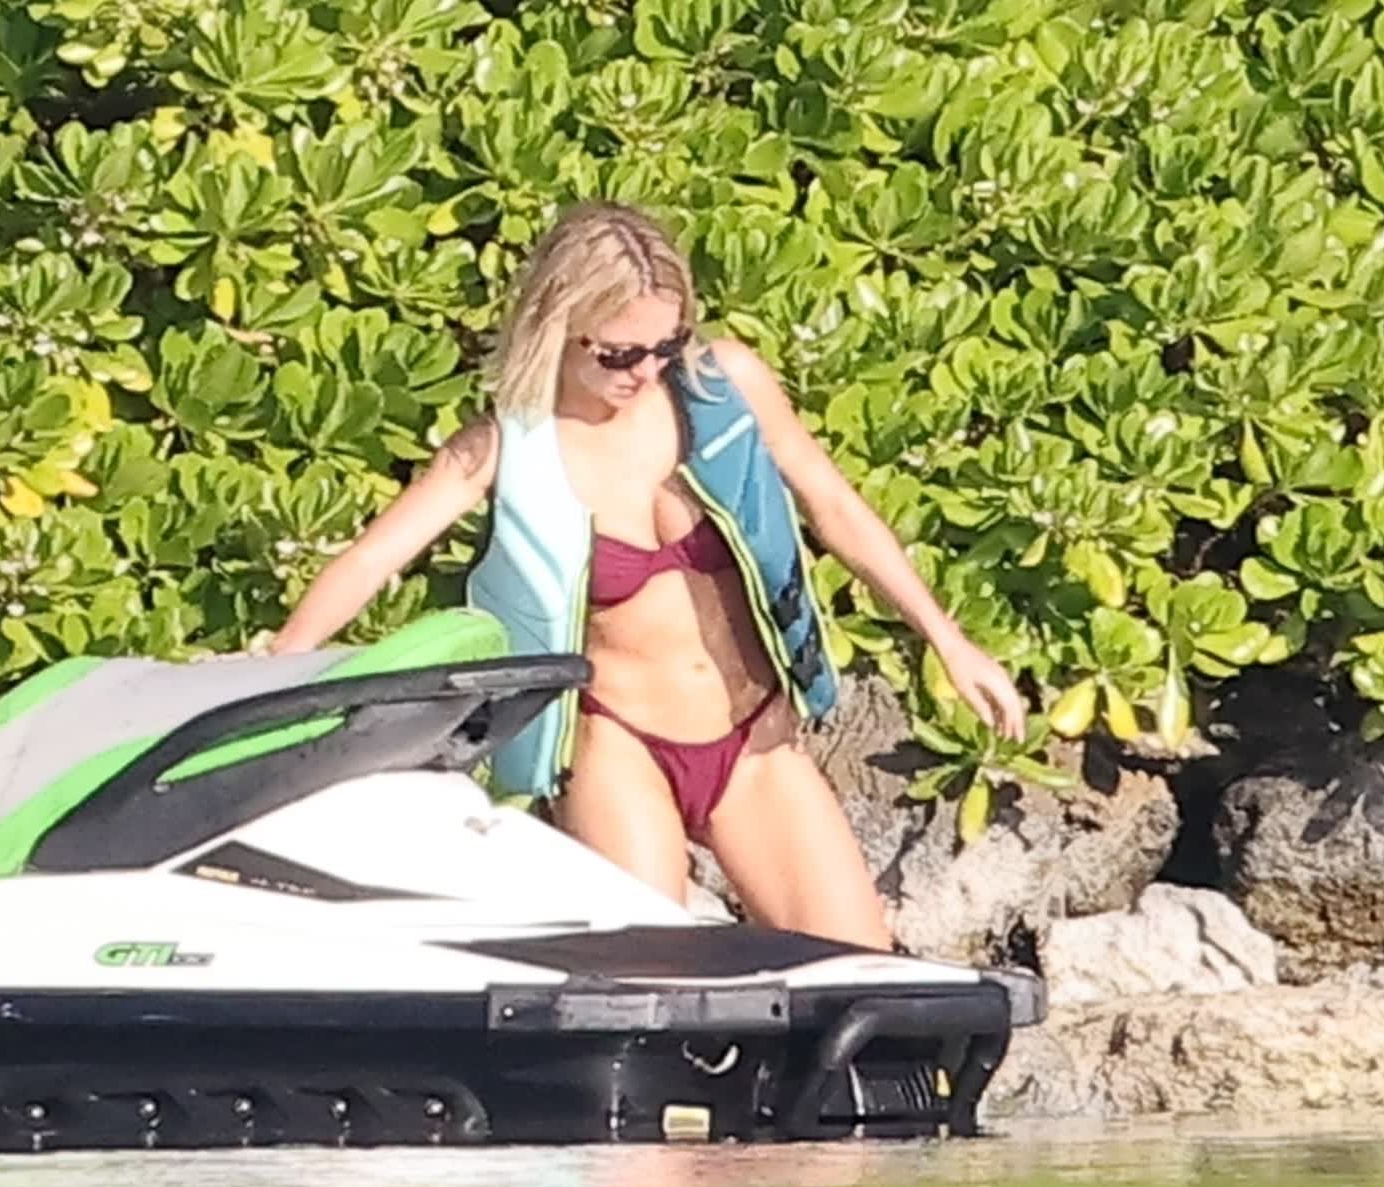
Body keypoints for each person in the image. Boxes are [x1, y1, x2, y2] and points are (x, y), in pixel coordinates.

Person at [269, 201, 1026, 950]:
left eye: (667, 344)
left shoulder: (724, 386)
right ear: (558, 324)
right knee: (650, 978)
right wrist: (278, 667)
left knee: (859, 971)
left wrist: (948, 641)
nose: (647, 370)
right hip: (619, 745)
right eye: (619, 354)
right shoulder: (504, 450)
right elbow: (372, 558)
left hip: (754, 738)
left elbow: (835, 505)